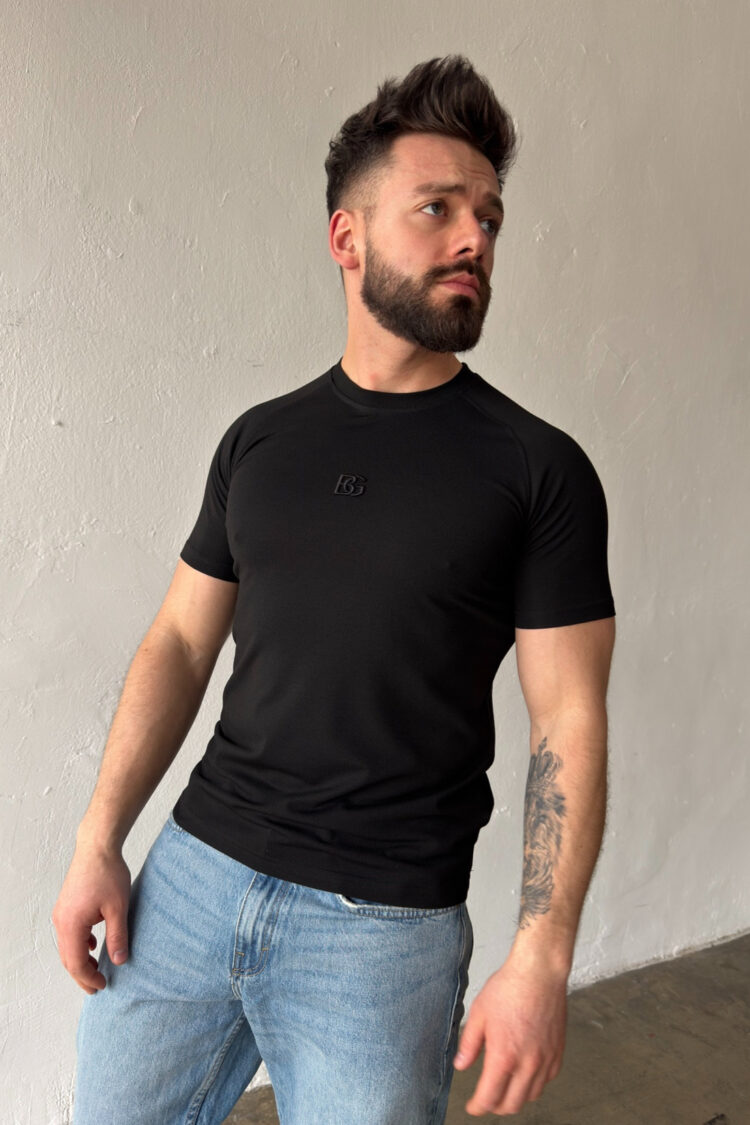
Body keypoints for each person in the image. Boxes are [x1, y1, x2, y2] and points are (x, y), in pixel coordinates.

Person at [52, 54, 616, 1124]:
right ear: (346, 238)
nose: (475, 238)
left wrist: (542, 957)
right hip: (192, 877)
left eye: (489, 218)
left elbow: (568, 718)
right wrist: (99, 839)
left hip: (382, 932)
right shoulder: (259, 442)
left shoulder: (538, 470)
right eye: (438, 209)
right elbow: (179, 643)